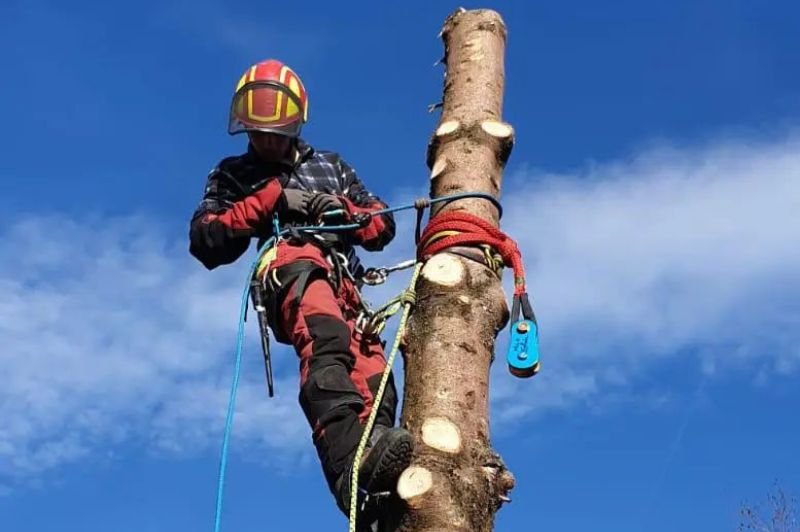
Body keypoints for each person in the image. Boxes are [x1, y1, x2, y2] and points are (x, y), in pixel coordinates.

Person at [188, 59, 414, 523]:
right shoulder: (233, 173)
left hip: (345, 283)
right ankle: (351, 471)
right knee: (325, 341)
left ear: (294, 125)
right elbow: (206, 239)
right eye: (256, 132)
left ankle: (376, 500)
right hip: (292, 267)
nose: (265, 140)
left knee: (376, 380)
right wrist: (271, 199)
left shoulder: (331, 166)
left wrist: (340, 209)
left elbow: (381, 225)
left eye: (275, 131)